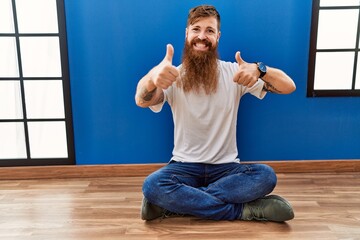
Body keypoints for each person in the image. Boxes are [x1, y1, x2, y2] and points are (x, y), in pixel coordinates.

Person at [135, 5, 296, 222]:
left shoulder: (234, 73)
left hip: (227, 170)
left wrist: (259, 69)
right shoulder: (172, 76)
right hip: (183, 168)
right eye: (196, 29)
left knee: (266, 176)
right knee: (152, 185)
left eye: (209, 31)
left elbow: (289, 86)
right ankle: (244, 211)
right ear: (187, 33)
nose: (202, 37)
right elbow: (141, 100)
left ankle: (177, 205)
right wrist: (152, 78)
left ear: (218, 37)